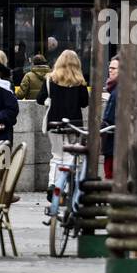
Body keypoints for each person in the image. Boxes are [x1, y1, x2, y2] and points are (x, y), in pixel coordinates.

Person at [38, 50, 90, 189]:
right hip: (73, 124)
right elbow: (85, 102)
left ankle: (52, 185)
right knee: (69, 156)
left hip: (53, 122)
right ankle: (65, 188)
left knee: (56, 155)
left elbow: (40, 99)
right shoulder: (79, 81)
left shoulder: (50, 79)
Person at [101, 57, 119, 178]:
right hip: (113, 144)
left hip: (113, 145)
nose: (110, 71)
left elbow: (110, 119)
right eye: (109, 68)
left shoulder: (116, 92)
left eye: (113, 68)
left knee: (110, 176)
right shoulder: (116, 90)